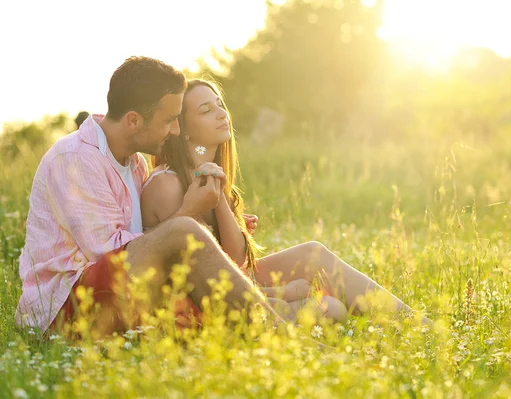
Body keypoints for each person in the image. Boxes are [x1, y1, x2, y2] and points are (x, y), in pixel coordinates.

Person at [16, 57, 280, 336]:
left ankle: (268, 326)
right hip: (65, 309)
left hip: (119, 294)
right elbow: (109, 256)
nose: (176, 131)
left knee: (191, 274)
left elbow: (146, 242)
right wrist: (188, 212)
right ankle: (275, 332)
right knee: (183, 231)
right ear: (133, 121)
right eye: (169, 121)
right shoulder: (75, 158)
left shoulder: (136, 163)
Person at [141, 79, 431, 325]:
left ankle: (416, 324)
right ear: (184, 128)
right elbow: (190, 282)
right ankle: (413, 327)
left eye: (220, 105)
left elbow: (237, 259)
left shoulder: (208, 174)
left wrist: (219, 199)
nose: (221, 114)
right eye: (206, 110)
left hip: (231, 283)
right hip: (193, 307)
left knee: (313, 254)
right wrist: (282, 292)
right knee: (330, 309)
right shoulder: (168, 184)